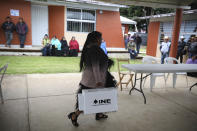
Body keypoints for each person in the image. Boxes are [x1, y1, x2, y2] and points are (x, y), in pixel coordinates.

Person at [68, 31, 115, 127]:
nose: (102, 40)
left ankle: (99, 114)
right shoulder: (95, 49)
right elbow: (95, 66)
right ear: (96, 39)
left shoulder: (89, 48)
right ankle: (74, 115)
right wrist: (98, 81)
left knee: (99, 98)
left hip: (91, 79)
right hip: (94, 81)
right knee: (88, 101)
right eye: (100, 38)